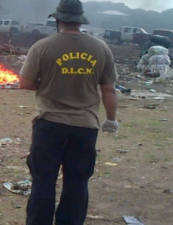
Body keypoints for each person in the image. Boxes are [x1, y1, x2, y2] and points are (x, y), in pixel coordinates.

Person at [19, 0, 119, 225]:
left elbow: (24, 82)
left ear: (58, 19)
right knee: (77, 183)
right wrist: (111, 119)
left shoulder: (42, 46)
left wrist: (47, 86)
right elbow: (109, 89)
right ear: (80, 21)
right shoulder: (100, 48)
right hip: (85, 128)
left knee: (43, 182)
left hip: (49, 125)